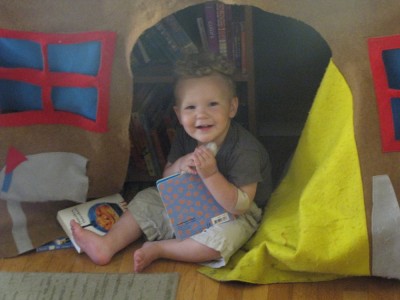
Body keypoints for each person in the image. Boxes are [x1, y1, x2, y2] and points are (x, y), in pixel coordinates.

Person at [71, 52, 272, 272]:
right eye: (191, 107)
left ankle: (161, 249)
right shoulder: (185, 137)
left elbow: (241, 206)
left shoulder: (244, 149)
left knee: (222, 241)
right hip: (193, 202)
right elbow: (166, 178)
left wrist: (212, 175)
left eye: (213, 104)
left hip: (234, 214)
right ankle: (107, 244)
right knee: (146, 199)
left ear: (232, 107)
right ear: (178, 113)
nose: (201, 115)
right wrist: (179, 166)